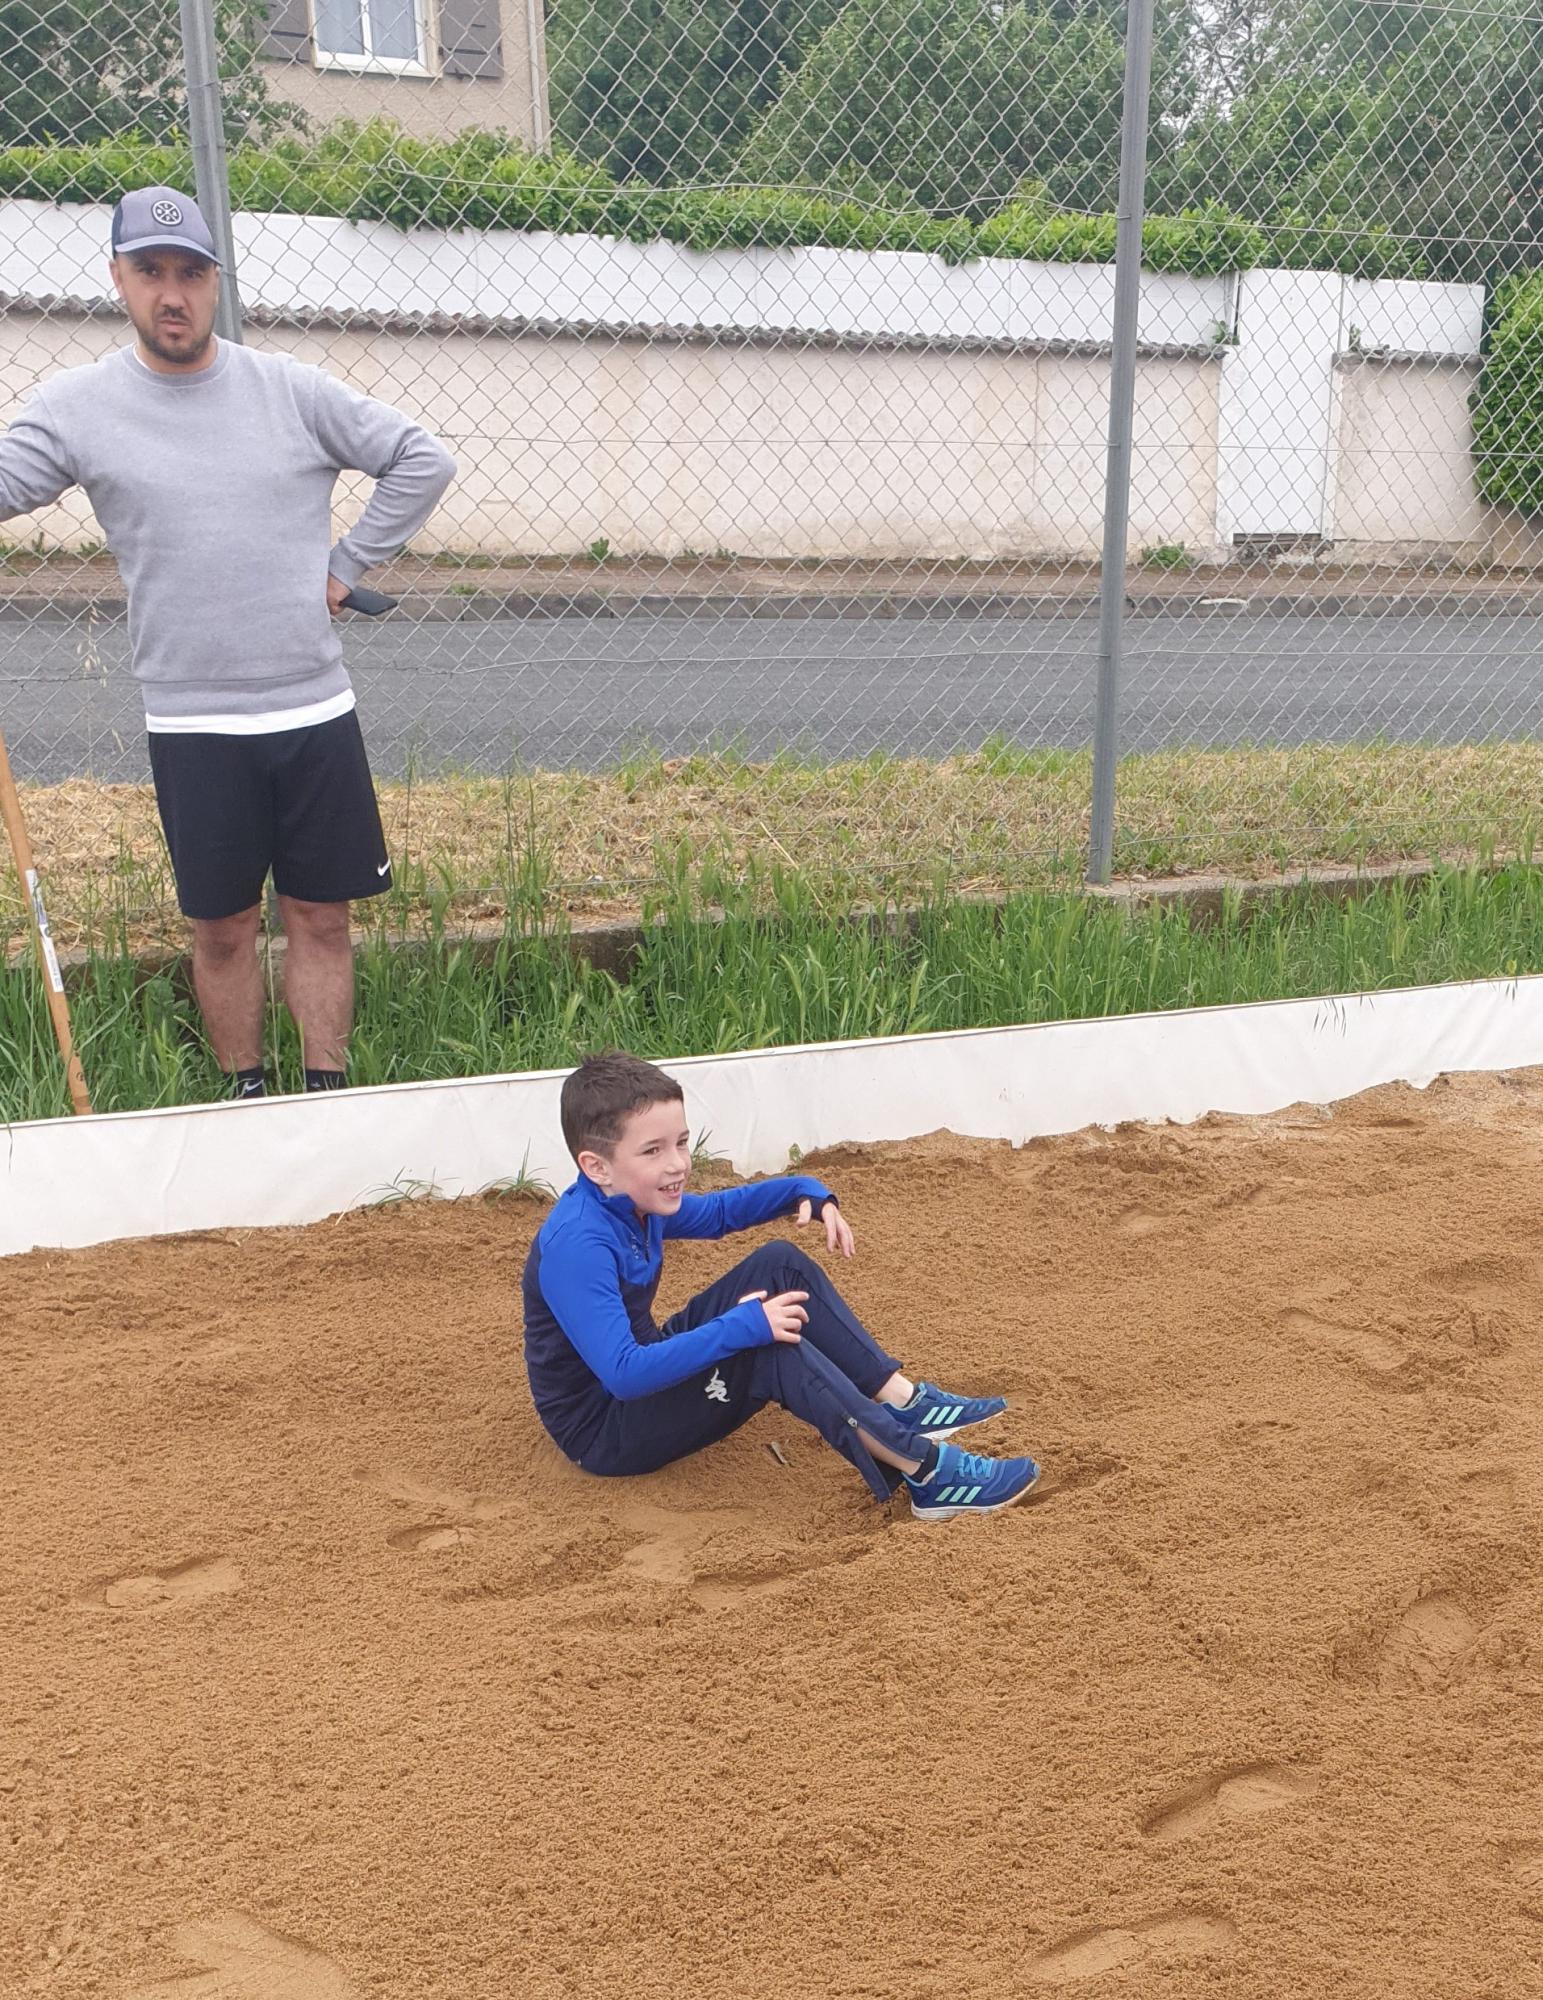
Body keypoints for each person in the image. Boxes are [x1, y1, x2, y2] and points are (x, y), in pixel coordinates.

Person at [0, 184, 457, 1098]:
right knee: (221, 929)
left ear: (215, 281)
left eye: (191, 274)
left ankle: (324, 1094)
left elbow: (422, 459)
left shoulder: (288, 390)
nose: (173, 294)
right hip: (193, 724)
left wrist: (344, 567)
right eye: (151, 272)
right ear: (119, 278)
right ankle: (245, 1096)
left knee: (321, 917)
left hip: (311, 711)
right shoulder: (80, 408)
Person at [522, 1050, 1043, 1519]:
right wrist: (741, 1327)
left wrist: (803, 1190)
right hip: (606, 1428)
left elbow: (718, 1213)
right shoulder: (578, 1246)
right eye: (653, 1151)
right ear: (597, 1167)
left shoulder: (632, 1199)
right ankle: (927, 1473)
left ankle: (902, 1400)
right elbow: (624, 1374)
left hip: (644, 1361)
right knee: (767, 1347)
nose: (678, 1164)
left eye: (681, 1142)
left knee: (780, 1264)